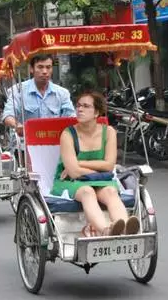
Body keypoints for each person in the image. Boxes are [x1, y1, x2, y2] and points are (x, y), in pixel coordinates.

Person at [51, 91, 139, 237]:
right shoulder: (68, 134)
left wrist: (80, 162)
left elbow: (109, 165)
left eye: (86, 106)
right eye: (78, 106)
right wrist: (99, 170)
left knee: (111, 192)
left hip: (100, 180)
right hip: (70, 182)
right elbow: (73, 172)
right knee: (87, 192)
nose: (80, 109)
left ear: (96, 112)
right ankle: (106, 230)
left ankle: (125, 227)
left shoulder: (109, 132)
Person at [3, 54, 75, 136]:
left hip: (55, 142)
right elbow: (8, 115)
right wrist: (18, 125)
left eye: (48, 67)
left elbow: (71, 117)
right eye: (40, 67)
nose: (45, 71)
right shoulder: (18, 90)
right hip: (28, 142)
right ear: (31, 69)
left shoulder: (62, 93)